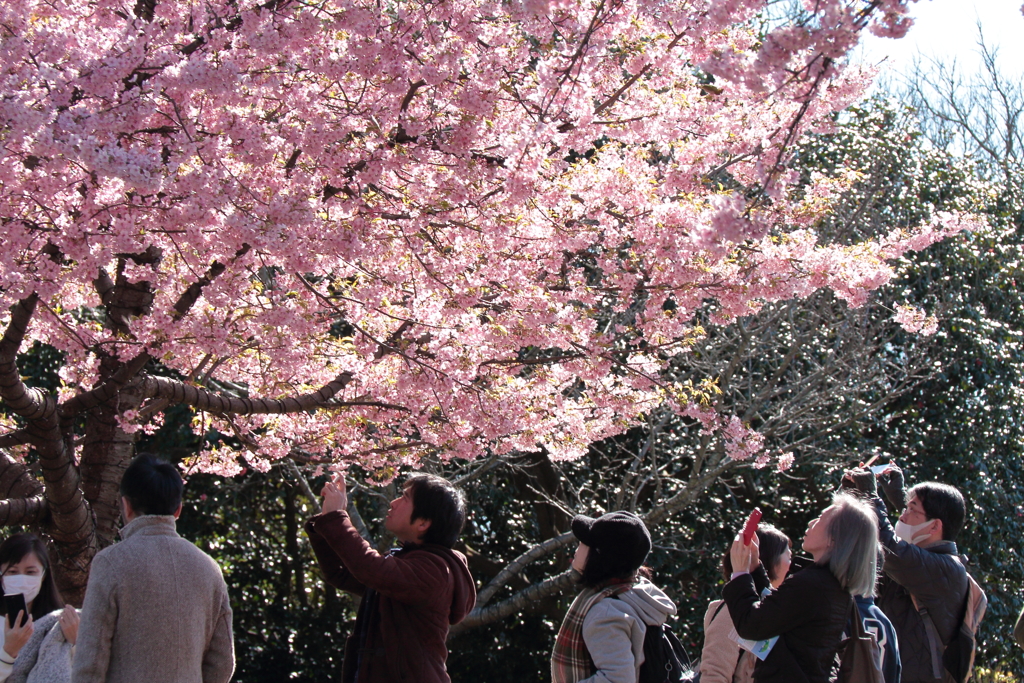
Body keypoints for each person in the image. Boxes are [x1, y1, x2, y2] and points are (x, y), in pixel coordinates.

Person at [71, 453, 235, 683]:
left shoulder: (110, 562)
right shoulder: (209, 568)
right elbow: (222, 662)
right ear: (178, 510)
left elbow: (90, 662)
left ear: (126, 506)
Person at [304, 473, 475, 683]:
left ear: (423, 523)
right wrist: (326, 521)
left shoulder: (437, 571)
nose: (393, 503)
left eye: (404, 497)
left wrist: (336, 518)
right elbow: (341, 572)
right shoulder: (410, 562)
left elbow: (370, 567)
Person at [723, 493, 879, 683]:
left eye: (821, 518)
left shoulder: (812, 584)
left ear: (834, 538)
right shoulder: (831, 586)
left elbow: (752, 625)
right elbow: (777, 611)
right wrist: (755, 569)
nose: (812, 522)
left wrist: (740, 573)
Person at [844, 466, 970, 683]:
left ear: (935, 527)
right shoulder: (921, 561)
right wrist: (852, 495)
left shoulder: (946, 569)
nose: (902, 516)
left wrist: (870, 496)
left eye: (911, 509)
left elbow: (889, 545)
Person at [551, 510, 677, 683]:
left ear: (598, 555)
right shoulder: (636, 594)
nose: (576, 550)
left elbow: (617, 679)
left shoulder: (606, 613)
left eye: (583, 544)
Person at [699, 524, 792, 683]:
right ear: (768, 559)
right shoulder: (733, 610)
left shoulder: (773, 605)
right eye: (789, 557)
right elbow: (714, 674)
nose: (792, 564)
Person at [0, 533, 77, 683]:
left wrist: (76, 642)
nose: (21, 579)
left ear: (43, 575)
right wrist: (9, 651)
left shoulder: (60, 622)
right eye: (12, 572)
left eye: (30, 572)